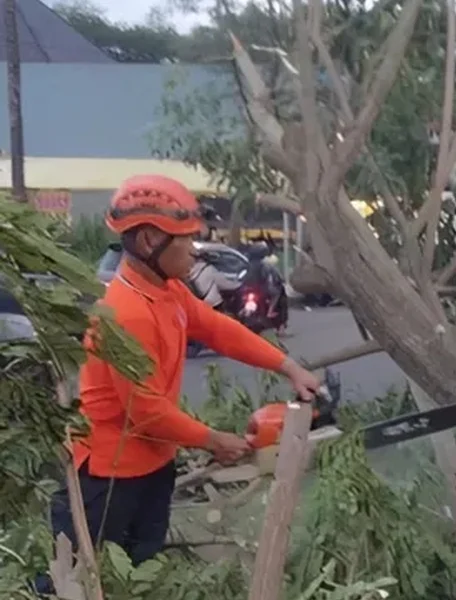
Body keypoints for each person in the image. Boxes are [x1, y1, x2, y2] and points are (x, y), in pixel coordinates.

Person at [33, 175, 322, 594]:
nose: (194, 247)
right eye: (184, 239)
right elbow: (146, 411)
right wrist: (213, 439)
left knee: (139, 572)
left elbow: (219, 329)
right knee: (81, 582)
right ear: (150, 240)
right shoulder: (125, 313)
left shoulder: (167, 290)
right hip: (111, 477)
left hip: (153, 465)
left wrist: (288, 366)